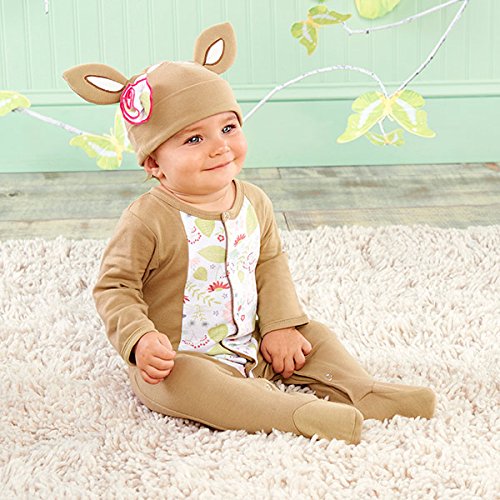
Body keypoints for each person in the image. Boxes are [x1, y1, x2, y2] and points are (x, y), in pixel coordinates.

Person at [63, 22, 436, 444]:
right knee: (193, 385)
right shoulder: (147, 219)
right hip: (181, 356)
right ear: (154, 164)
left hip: (253, 342)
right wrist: (140, 339)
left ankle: (361, 390)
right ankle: (294, 414)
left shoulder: (254, 201)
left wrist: (279, 326)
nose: (219, 146)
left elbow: (270, 262)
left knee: (313, 335)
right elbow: (115, 286)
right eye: (194, 139)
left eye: (228, 128)